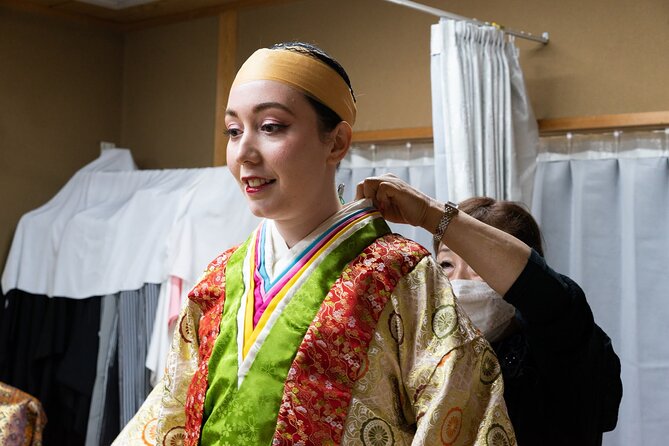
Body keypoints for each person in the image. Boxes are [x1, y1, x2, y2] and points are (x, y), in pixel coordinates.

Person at [113, 43, 515, 445]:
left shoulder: (399, 275)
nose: (244, 153)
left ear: (337, 142)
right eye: (234, 131)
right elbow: (168, 415)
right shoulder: (220, 277)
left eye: (270, 127)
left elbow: (460, 409)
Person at [356, 174, 623, 446]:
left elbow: (551, 301)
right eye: (446, 264)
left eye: (479, 265)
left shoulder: (564, 349)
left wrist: (428, 213)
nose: (458, 280)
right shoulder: (421, 353)